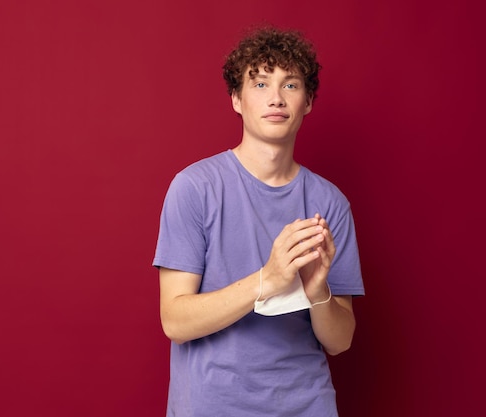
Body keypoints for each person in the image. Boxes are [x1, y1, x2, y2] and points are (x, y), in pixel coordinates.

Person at [153, 25, 364, 417]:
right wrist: (268, 280)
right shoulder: (194, 187)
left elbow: (340, 340)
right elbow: (175, 321)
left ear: (308, 101)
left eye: (290, 85)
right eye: (261, 83)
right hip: (211, 406)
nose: (276, 99)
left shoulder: (330, 203)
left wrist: (318, 290)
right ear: (236, 99)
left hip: (307, 404)